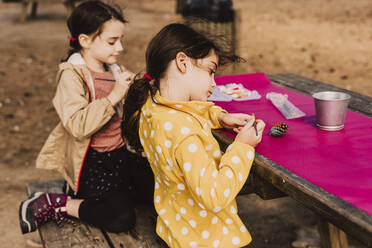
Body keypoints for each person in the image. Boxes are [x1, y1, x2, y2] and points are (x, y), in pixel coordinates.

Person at [123, 23, 265, 248]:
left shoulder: (151, 106)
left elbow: (188, 110)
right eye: (210, 70)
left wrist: (219, 117)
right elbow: (214, 195)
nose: (213, 83)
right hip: (205, 239)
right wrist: (243, 147)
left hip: (174, 229)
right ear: (182, 62)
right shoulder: (184, 134)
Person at [18, 0, 154, 234]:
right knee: (121, 219)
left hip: (120, 157)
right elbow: (78, 125)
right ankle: (59, 203)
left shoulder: (114, 70)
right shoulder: (71, 77)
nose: (120, 47)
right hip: (93, 165)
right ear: (85, 40)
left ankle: (111, 194)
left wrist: (139, 90)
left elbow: (127, 110)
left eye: (120, 40)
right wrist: (114, 96)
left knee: (158, 186)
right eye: (112, 41)